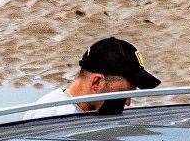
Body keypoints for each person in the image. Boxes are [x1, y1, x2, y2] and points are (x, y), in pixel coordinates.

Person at [30, 37, 159, 117]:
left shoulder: (85, 114)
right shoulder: (55, 119)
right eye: (123, 93)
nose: (128, 103)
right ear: (97, 83)